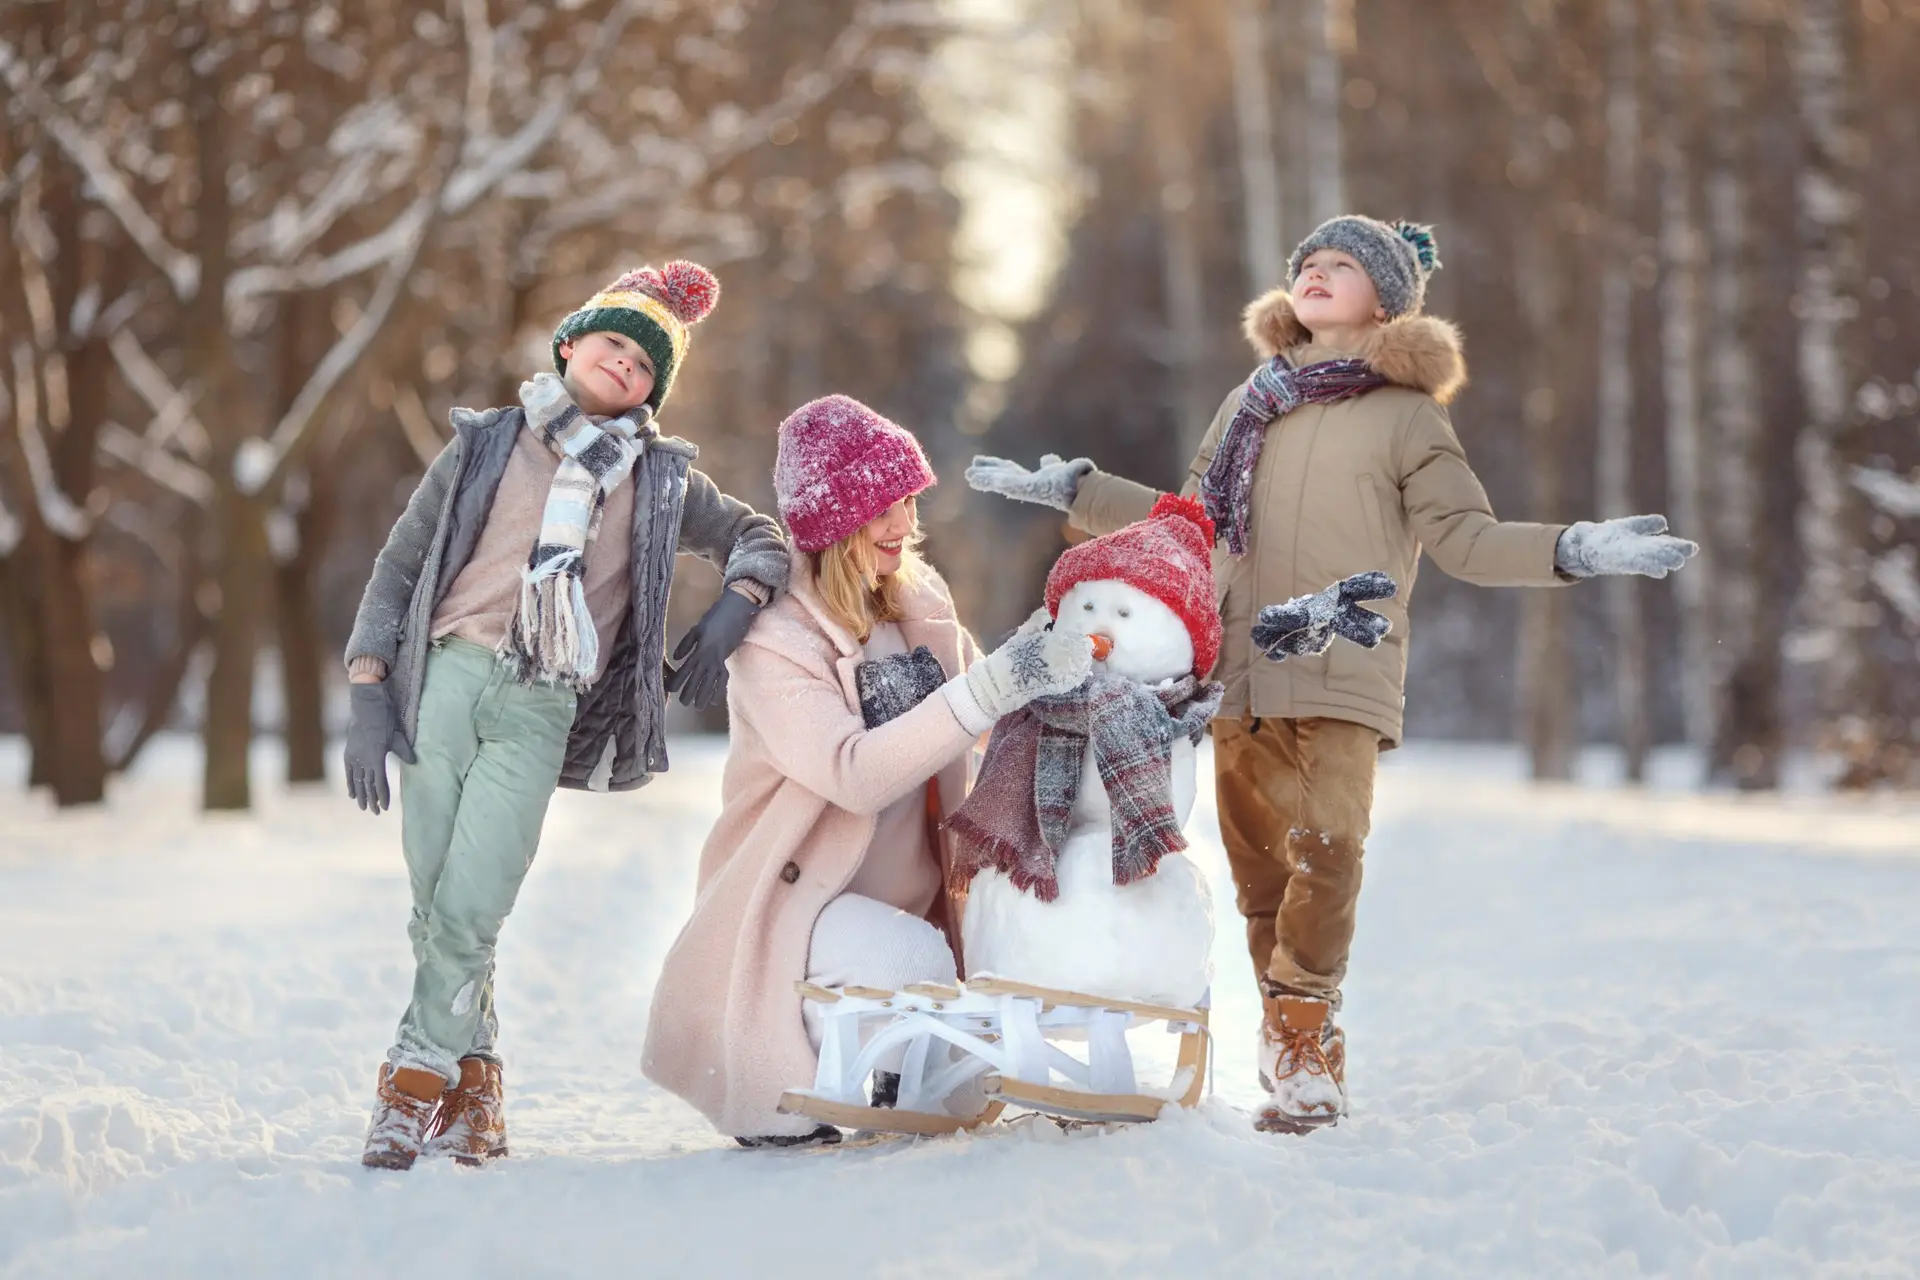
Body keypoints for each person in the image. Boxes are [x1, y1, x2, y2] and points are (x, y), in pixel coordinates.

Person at [967, 216, 1697, 1133]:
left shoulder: (1407, 416)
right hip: (1238, 672)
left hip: (1342, 666)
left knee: (1331, 850)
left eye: (1341, 264)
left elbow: (1467, 541)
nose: (1315, 273)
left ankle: (1308, 1032)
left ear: (1385, 297)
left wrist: (1574, 549)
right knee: (1262, 877)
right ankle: (1290, 1046)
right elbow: (1192, 521)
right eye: (1307, 263)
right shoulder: (1251, 403)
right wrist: (1080, 492)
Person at [342, 261, 791, 1168]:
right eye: (613, 342)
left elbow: (762, 537)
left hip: (543, 700)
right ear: (571, 343)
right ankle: (479, 1092)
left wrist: (736, 602)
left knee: (471, 905)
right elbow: (399, 567)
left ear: (654, 391)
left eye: (644, 364)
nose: (624, 365)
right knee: (434, 907)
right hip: (447, 681)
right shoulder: (484, 443)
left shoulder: (661, 479)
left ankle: (412, 1079)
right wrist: (365, 687)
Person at [642, 395, 1093, 1147]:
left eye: (909, 500)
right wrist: (987, 689)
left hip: (914, 896)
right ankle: (808, 1052)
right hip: (803, 906)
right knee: (908, 960)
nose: (904, 523)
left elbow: (976, 722)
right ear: (833, 522)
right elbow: (852, 772)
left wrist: (1047, 675)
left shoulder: (919, 601)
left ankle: (902, 1058)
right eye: (883, 506)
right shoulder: (775, 638)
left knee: (961, 1040)